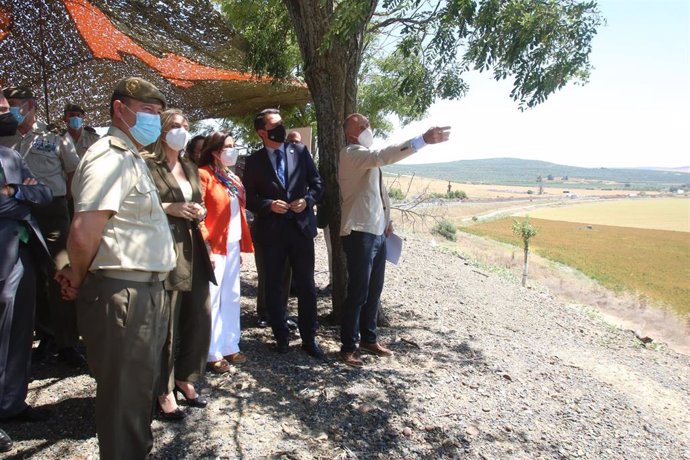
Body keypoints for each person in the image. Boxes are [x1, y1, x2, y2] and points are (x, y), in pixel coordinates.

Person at [54, 76, 176, 459]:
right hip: (123, 292)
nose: (153, 121)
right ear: (119, 110)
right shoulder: (109, 155)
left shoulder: (131, 157)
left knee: (138, 393)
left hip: (145, 290)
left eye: (158, 113)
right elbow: (83, 232)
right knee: (124, 398)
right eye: (146, 112)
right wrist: (76, 275)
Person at [338, 113, 450, 367]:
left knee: (374, 290)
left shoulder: (367, 160)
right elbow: (382, 156)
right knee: (358, 292)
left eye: (369, 125)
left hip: (377, 233)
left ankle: (369, 338)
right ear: (351, 133)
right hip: (359, 233)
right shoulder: (351, 154)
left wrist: (387, 219)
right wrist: (421, 140)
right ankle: (348, 346)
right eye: (363, 126)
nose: (369, 129)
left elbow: (378, 193)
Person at [0, 86, 83, 367]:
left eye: (14, 103)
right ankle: (46, 334)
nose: (10, 108)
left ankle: (69, 341)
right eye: (7, 103)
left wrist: (67, 201)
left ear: (31, 105)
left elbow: (73, 171)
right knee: (28, 276)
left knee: (61, 271)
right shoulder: (5, 136)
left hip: (52, 211)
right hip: (17, 214)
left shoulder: (54, 136)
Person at [144, 109, 215, 420]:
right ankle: (163, 389)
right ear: (161, 130)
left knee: (200, 313)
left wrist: (197, 212)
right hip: (165, 245)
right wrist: (169, 207)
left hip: (194, 244)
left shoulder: (188, 164)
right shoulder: (148, 164)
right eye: (175, 125)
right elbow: (137, 203)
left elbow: (197, 202)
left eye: (186, 126)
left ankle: (187, 376)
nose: (181, 131)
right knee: (168, 320)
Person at [242, 108, 324, 357]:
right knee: (275, 287)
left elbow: (317, 183)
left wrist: (307, 200)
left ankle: (310, 338)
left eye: (281, 124)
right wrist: (268, 205)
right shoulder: (254, 161)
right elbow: (248, 197)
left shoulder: (299, 151)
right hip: (271, 232)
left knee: (307, 287)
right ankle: (281, 337)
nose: (281, 129)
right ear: (262, 132)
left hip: (300, 230)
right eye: (275, 126)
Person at [0, 98, 53, 447]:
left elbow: (44, 193)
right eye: (2, 108)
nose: (9, 114)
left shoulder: (11, 156)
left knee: (20, 330)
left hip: (22, 252)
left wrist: (16, 190)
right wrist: (22, 198)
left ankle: (12, 403)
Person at [197, 131, 254, 373]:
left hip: (232, 244)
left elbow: (237, 213)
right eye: (227, 146)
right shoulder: (204, 175)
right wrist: (206, 245)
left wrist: (239, 246)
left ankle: (230, 344)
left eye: (233, 145)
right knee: (213, 298)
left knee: (231, 295)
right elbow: (199, 212)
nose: (232, 150)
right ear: (214, 151)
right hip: (214, 246)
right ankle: (212, 351)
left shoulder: (231, 177)